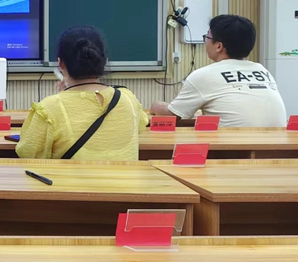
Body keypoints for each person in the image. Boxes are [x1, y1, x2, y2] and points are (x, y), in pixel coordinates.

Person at [16, 26, 148, 160]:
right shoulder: (128, 98)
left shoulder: (49, 108)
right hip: (123, 175)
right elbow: (140, 125)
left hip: (70, 175)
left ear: (61, 64)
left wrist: (61, 99)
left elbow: (28, 153)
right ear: (105, 61)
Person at [151, 15, 286, 127]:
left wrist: (156, 106)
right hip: (280, 147)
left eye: (207, 37)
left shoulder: (203, 75)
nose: (206, 41)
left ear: (219, 46)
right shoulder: (262, 70)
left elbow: (172, 115)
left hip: (233, 148)